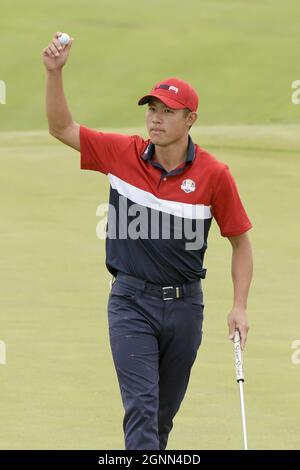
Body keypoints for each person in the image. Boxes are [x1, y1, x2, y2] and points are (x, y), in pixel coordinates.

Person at [42, 32, 253, 450]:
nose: (155, 119)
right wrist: (54, 73)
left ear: (190, 119)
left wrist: (239, 305)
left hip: (186, 308)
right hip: (130, 302)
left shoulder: (214, 175)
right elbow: (61, 127)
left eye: (167, 112)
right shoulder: (122, 154)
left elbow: (240, 242)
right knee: (141, 407)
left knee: (160, 418)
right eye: (152, 110)